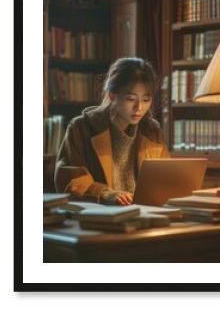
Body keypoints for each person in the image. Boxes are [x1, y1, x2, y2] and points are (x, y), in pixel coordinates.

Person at [54, 57, 170, 205]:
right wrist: (105, 193)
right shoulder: (81, 128)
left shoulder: (152, 131)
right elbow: (71, 182)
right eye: (130, 99)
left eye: (146, 100)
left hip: (145, 212)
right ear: (112, 96)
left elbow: (166, 178)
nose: (139, 107)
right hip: (100, 215)